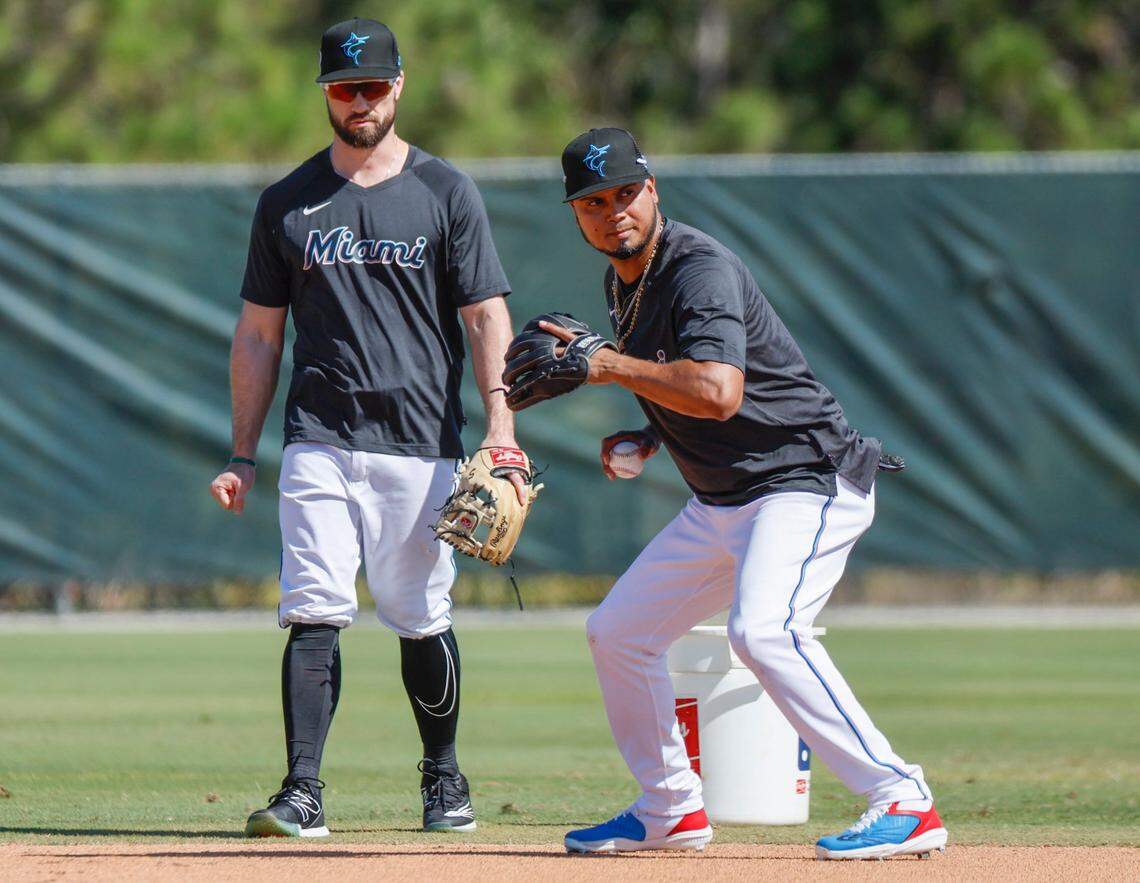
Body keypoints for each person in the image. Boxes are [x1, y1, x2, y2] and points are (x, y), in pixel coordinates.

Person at [544, 128, 947, 860]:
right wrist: (649, 434)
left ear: (653, 189)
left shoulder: (698, 269)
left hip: (806, 480)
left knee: (763, 630)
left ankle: (903, 798)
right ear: (575, 213)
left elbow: (721, 391)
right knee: (617, 633)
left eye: (626, 193)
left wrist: (606, 368)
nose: (613, 212)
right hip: (723, 501)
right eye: (594, 201)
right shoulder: (621, 280)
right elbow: (681, 380)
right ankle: (669, 807)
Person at [208, 18, 525, 838]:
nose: (359, 102)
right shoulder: (289, 202)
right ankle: (302, 790)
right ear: (326, 94)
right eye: (344, 88)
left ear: (400, 86)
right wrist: (245, 450)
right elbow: (257, 334)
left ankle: (443, 775)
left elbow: (487, 315)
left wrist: (501, 427)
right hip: (320, 434)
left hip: (422, 443)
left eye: (372, 87)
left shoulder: (446, 191)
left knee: (420, 612)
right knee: (314, 605)